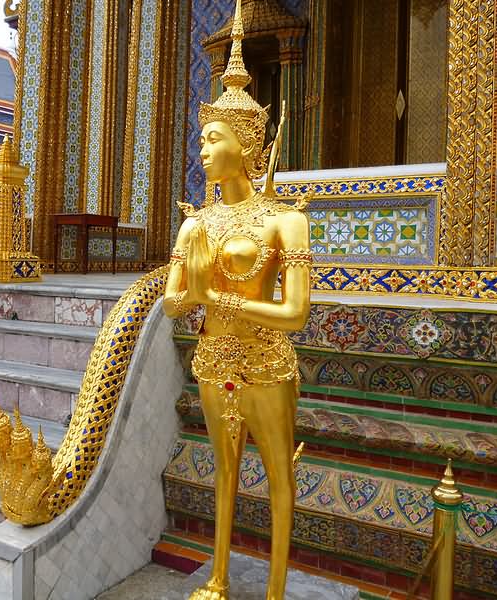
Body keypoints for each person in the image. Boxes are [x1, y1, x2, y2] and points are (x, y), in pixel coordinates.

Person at [162, 2, 311, 599]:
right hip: (212, 359)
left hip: (268, 364)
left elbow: (296, 314)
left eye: (213, 137)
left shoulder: (284, 223)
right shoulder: (196, 222)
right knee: (222, 473)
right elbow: (174, 300)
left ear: (247, 142)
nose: (202, 149)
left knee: (277, 477)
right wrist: (191, 296)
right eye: (201, 137)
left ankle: (274, 590)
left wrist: (217, 296)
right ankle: (218, 578)